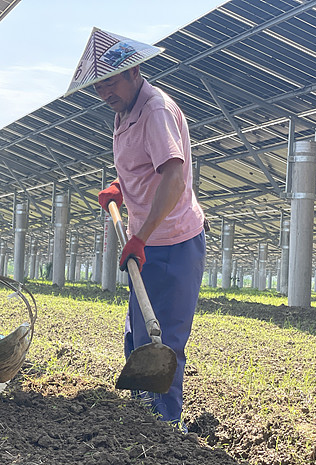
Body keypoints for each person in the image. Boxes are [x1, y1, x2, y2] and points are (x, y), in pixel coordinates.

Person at [66, 29, 206, 429]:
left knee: (164, 344)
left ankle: (162, 427)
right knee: (137, 336)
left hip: (173, 242)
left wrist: (140, 237)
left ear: (134, 70)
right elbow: (144, 170)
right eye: (97, 84)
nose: (104, 91)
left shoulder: (155, 110)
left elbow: (173, 177)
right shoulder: (123, 112)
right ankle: (137, 419)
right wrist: (120, 188)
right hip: (145, 243)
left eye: (110, 81)